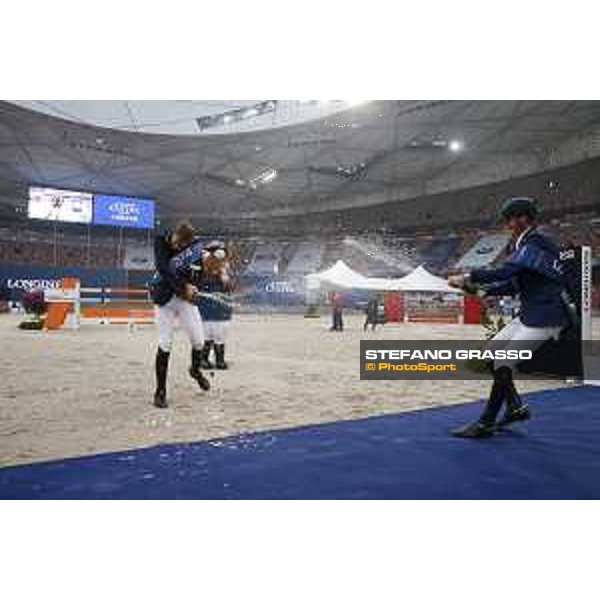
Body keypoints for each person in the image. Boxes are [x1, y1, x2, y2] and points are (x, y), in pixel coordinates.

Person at [448, 197, 572, 438]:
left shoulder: (536, 243)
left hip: (546, 315)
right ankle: (515, 407)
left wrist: (467, 276)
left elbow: (504, 272)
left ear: (523, 218)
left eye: (510, 219)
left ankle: (486, 423)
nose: (507, 224)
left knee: (503, 361)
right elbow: (513, 284)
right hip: (531, 313)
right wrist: (479, 291)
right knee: (494, 356)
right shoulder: (524, 244)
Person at [149, 221, 210, 408]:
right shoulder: (160, 241)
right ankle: (160, 391)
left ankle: (195, 370)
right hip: (164, 299)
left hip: (185, 301)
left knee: (199, 341)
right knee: (165, 343)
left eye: (182, 245)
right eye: (177, 242)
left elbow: (200, 274)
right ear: (174, 233)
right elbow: (164, 270)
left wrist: (195, 287)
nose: (177, 246)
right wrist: (184, 286)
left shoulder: (195, 249)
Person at [196, 240, 234, 370]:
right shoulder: (206, 271)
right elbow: (228, 288)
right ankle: (213, 360)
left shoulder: (221, 271)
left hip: (212, 311)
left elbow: (228, 288)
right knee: (213, 337)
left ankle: (211, 360)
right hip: (213, 311)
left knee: (213, 337)